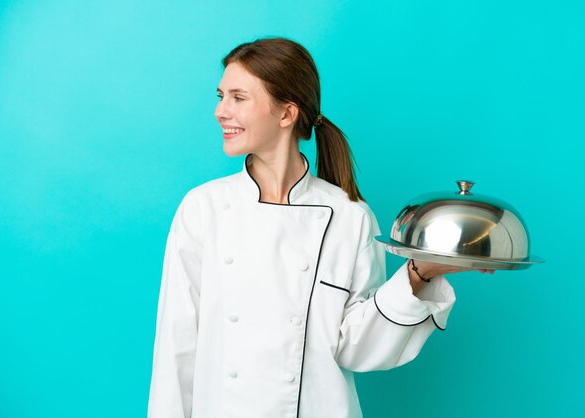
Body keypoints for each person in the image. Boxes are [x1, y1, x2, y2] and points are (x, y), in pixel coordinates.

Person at [147, 37, 494, 418]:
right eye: (221, 96)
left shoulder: (349, 215)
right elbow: (176, 346)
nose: (220, 111)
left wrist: (420, 273)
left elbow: (357, 348)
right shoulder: (204, 209)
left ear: (286, 113)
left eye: (238, 98)